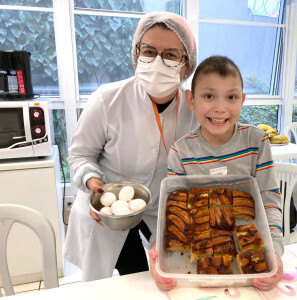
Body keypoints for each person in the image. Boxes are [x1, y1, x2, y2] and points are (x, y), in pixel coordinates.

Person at [63, 11, 198, 282]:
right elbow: (80, 155)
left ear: (187, 65)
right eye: (149, 51)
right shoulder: (107, 100)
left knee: (172, 274)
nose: (157, 61)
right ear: (137, 54)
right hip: (108, 211)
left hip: (161, 206)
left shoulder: (194, 108)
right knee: (131, 278)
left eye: (171, 54)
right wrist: (91, 181)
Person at [150, 56, 284, 291]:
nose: (220, 108)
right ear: (191, 100)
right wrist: (157, 250)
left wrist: (275, 253)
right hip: (196, 259)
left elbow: (269, 199)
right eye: (209, 96)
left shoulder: (257, 142)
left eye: (231, 97)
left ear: (242, 100)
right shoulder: (181, 151)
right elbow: (173, 210)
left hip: (252, 252)